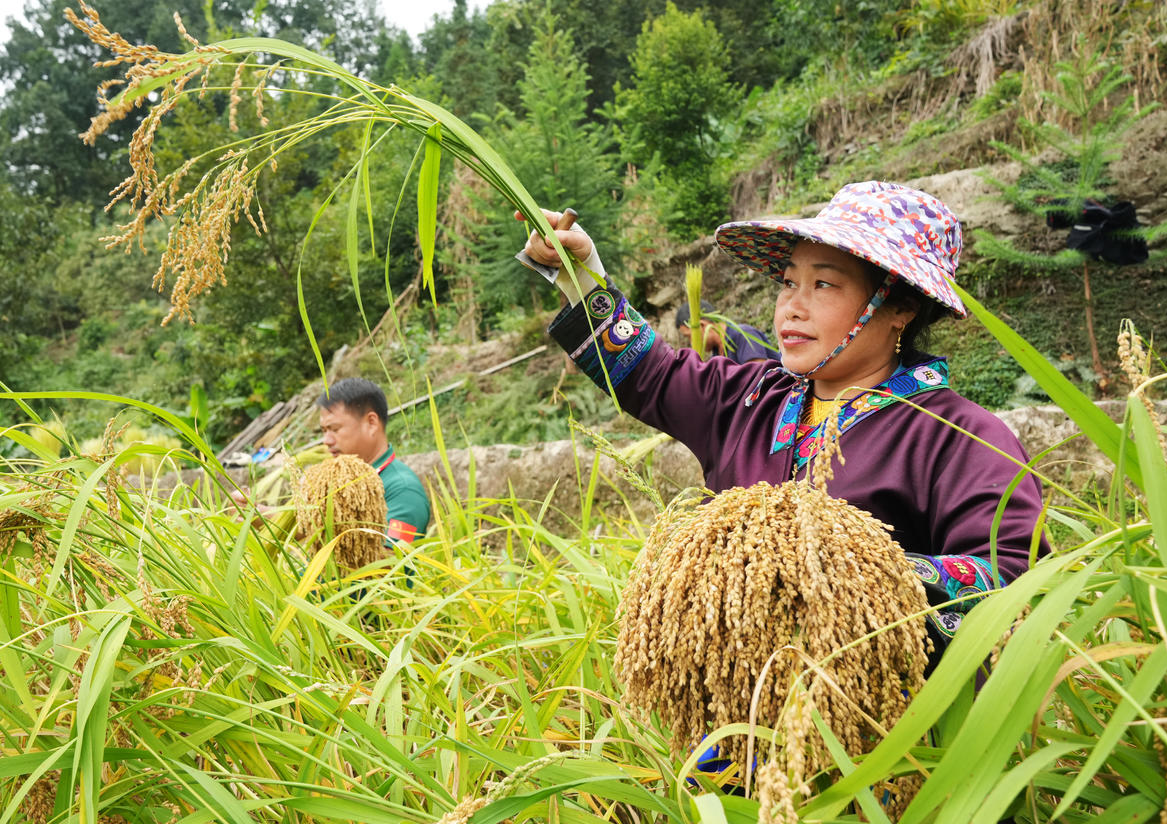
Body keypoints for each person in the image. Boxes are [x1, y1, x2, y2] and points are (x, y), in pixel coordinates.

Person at [517, 181, 1049, 657]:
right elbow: (647, 372)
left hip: (887, 736)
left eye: (823, 285)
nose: (791, 307)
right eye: (789, 282)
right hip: (734, 737)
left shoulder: (960, 437)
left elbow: (1013, 581)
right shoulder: (751, 398)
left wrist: (848, 564)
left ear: (900, 307)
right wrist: (580, 275)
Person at [317, 377, 430, 545]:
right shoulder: (339, 482)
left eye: (334, 429)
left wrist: (318, 527)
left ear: (371, 423)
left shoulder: (403, 490)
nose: (326, 440)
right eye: (324, 431)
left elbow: (387, 564)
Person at [675, 299, 779, 363]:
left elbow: (758, 382)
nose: (691, 343)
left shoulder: (743, 335)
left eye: (689, 336)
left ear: (702, 325)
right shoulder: (716, 356)